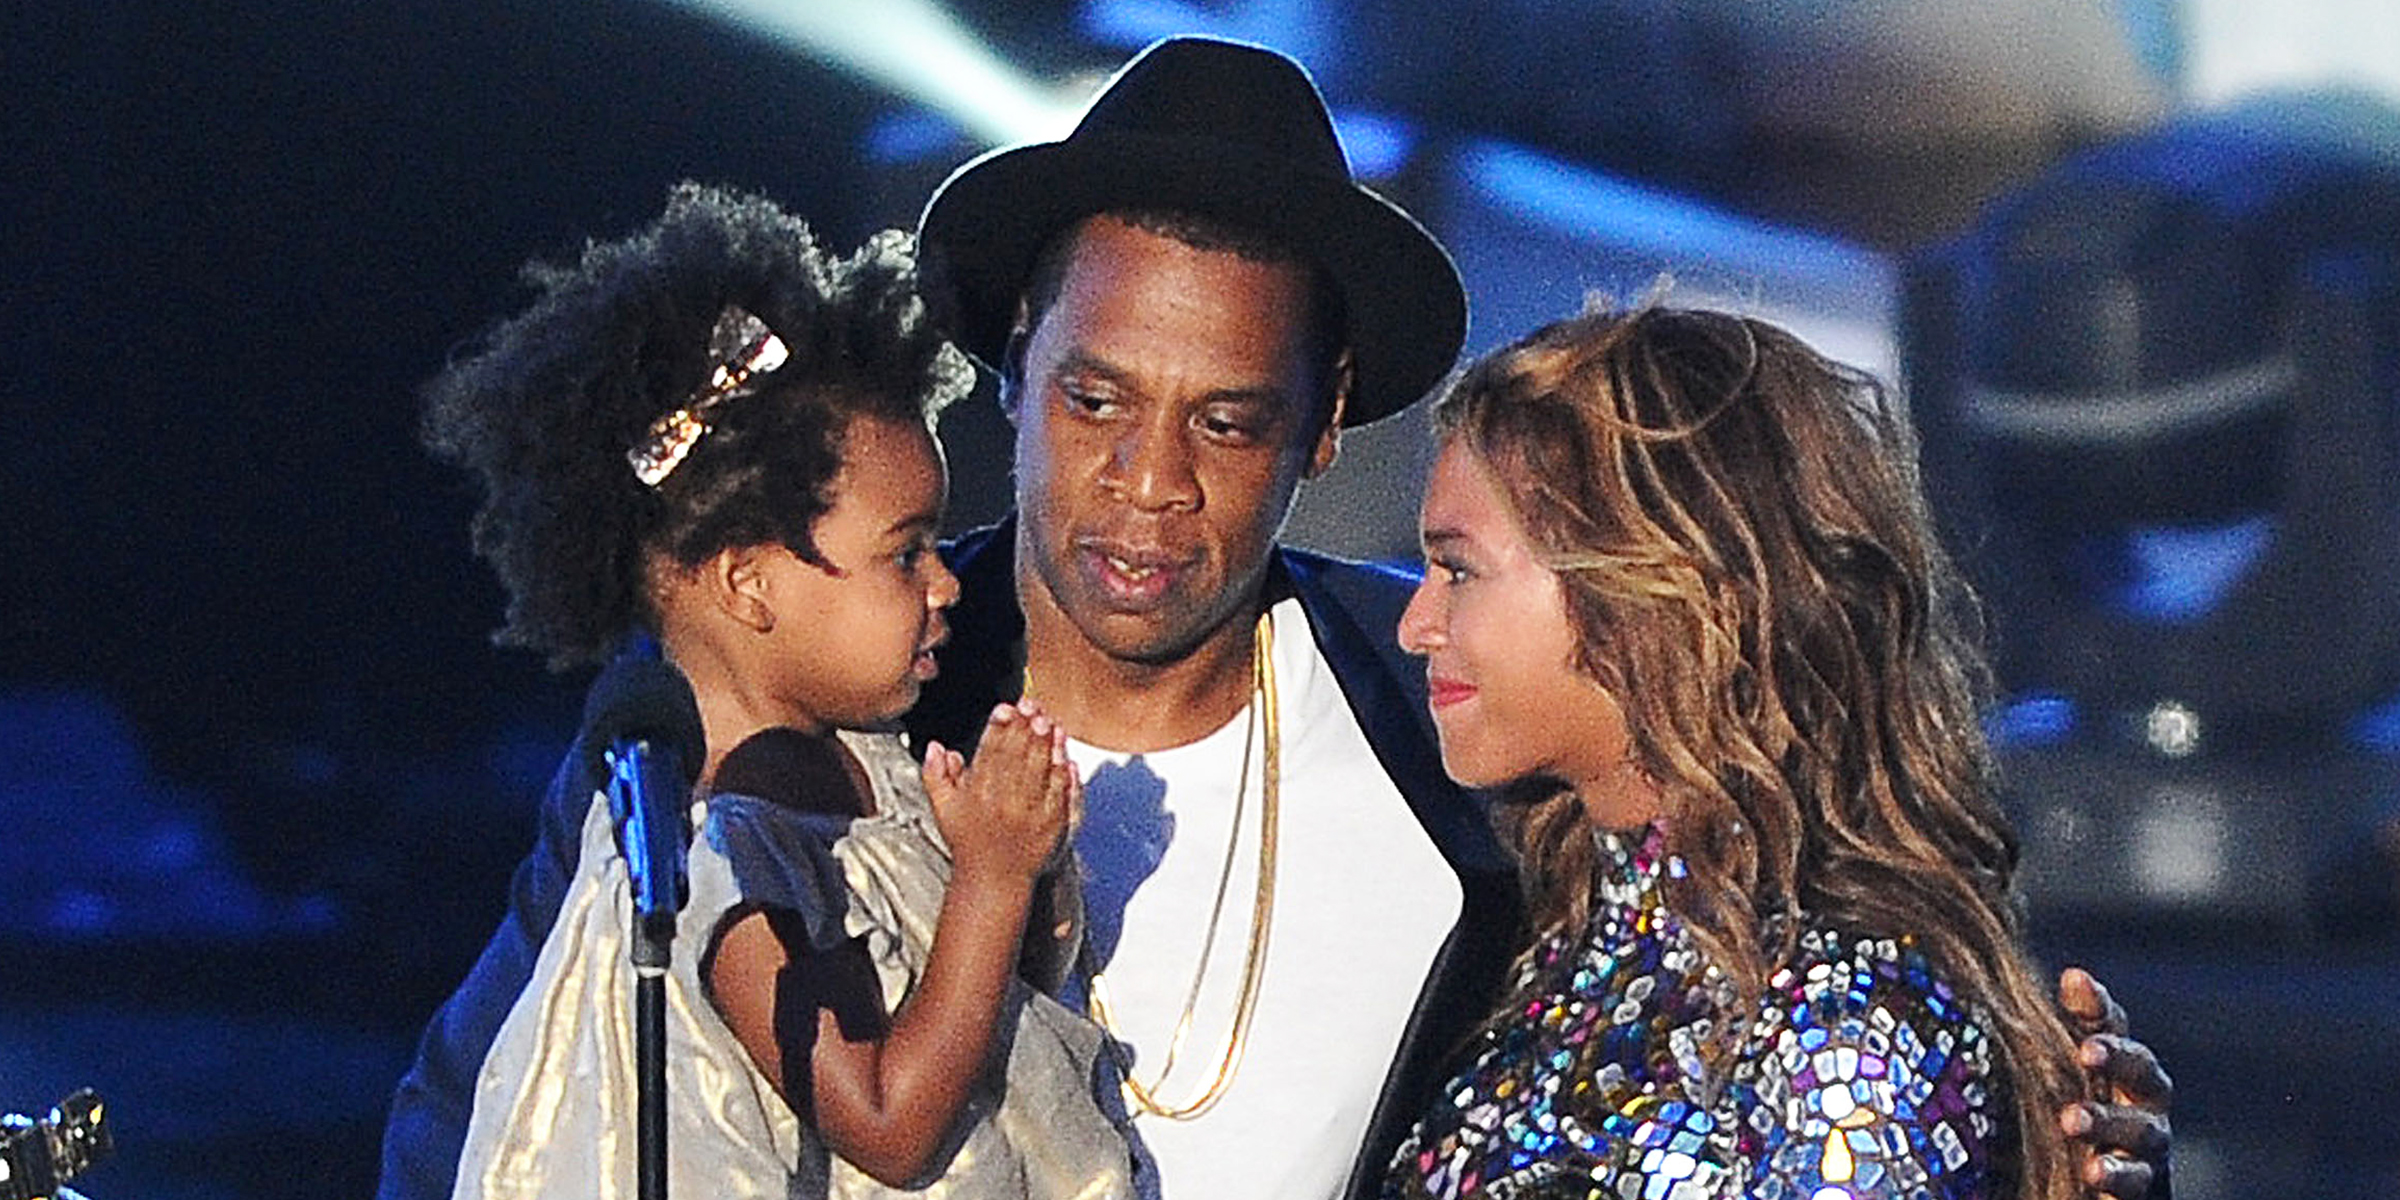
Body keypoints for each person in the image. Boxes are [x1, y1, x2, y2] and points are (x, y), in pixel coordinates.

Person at [906, 36, 2168, 1200]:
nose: (1149, 478)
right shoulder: (849, 705)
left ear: (1325, 421)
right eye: (1096, 400)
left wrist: (2045, 1148)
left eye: (1228, 421)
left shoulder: (1457, 732)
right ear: (1017, 364)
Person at [384, 182, 1136, 1199]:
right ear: (748, 584)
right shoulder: (712, 854)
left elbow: (997, 1029)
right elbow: (889, 1125)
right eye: (903, 555)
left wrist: (1028, 871)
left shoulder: (873, 769)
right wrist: (991, 880)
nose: (947, 581)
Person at [1379, 303, 2133, 1199]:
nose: (1414, 624)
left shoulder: (1848, 1026)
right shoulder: (1537, 939)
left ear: (1650, 582)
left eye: (1459, 569)